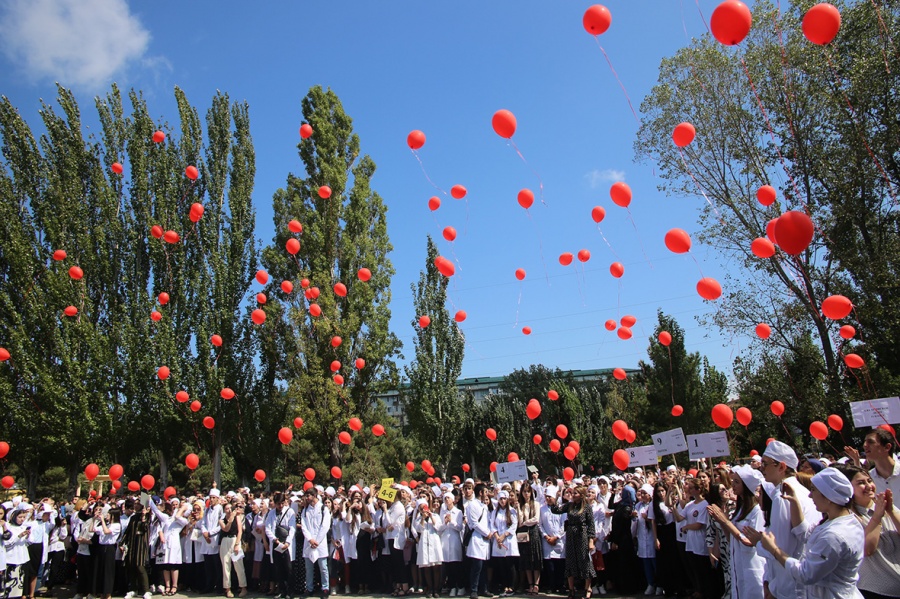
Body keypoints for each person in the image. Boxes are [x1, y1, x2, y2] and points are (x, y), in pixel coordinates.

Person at [747, 468, 865, 599]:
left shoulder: (834, 536)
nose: (809, 495)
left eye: (814, 490)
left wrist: (774, 550)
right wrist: (794, 502)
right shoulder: (841, 520)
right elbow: (805, 534)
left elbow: (805, 574)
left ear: (828, 497)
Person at [757, 440, 820, 599]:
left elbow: (780, 547)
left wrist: (758, 542)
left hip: (790, 584)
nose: (761, 468)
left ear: (781, 467)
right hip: (797, 579)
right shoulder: (799, 490)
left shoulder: (783, 496)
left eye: (765, 464)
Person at [837, 464, 900, 599]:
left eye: (869, 481)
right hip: (876, 590)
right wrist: (877, 517)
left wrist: (891, 511)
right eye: (860, 483)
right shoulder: (848, 517)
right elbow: (867, 549)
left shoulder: (883, 505)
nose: (868, 486)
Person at [707, 465, 765, 599]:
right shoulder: (740, 509)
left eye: (737, 482)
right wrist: (722, 521)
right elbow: (731, 538)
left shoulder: (756, 511)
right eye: (733, 481)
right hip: (737, 563)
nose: (732, 484)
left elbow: (749, 541)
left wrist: (726, 522)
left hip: (752, 564)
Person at [549, 486, 595, 599]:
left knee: (584, 561)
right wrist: (556, 497)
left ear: (581, 494)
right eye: (572, 493)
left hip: (582, 535)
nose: (573, 495)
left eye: (575, 493)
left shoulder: (586, 507)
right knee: (570, 562)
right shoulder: (569, 505)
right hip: (571, 535)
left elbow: (591, 525)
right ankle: (571, 589)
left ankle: (587, 588)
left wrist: (591, 540)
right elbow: (556, 510)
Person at [149, 497, 188, 596]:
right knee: (165, 566)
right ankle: (167, 586)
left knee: (173, 565)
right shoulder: (166, 518)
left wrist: (182, 509)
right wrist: (147, 499)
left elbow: (178, 517)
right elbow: (156, 511)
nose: (174, 508)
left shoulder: (182, 520)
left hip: (174, 544)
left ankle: (174, 586)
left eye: (176, 506)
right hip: (164, 544)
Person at [298, 488, 328, 599]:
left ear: (314, 495)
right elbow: (304, 526)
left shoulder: (323, 508)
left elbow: (325, 526)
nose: (307, 498)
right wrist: (310, 539)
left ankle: (325, 588)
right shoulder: (305, 510)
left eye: (309, 495)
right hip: (309, 543)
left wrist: (317, 541)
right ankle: (309, 588)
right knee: (309, 568)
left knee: (323, 567)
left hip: (320, 543)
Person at [488, 490, 517, 597]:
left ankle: (512, 586)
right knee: (501, 565)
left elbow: (514, 525)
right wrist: (497, 537)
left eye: (504, 499)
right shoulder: (494, 512)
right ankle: (505, 586)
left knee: (510, 564)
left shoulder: (512, 511)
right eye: (501, 499)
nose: (503, 501)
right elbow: (492, 525)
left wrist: (504, 535)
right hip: (498, 541)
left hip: (508, 540)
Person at [465, 483, 491, 599]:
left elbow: (488, 521)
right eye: (485, 492)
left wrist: (489, 533)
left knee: (484, 566)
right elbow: (474, 523)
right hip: (477, 538)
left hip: (485, 540)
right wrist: (486, 533)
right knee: (477, 567)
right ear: (480, 493)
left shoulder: (484, 506)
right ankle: (474, 590)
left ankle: (484, 589)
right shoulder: (472, 505)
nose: (487, 494)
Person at [414, 497, 445, 598]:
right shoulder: (418, 519)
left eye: (424, 507)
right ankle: (430, 588)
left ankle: (436, 589)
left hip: (434, 542)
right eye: (421, 508)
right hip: (424, 543)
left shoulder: (435, 515)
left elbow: (439, 528)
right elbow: (419, 529)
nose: (423, 510)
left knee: (436, 567)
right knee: (426, 567)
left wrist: (431, 517)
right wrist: (423, 518)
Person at [122, 499, 152, 599]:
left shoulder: (148, 517)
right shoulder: (133, 517)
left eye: (138, 504)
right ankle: (133, 589)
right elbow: (128, 531)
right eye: (135, 504)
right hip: (132, 544)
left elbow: (145, 528)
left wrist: (144, 516)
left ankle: (146, 590)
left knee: (140, 566)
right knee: (132, 566)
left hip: (141, 545)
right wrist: (122, 543)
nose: (136, 506)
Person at [516, 484, 542, 597]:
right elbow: (520, 520)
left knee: (535, 558)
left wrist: (526, 522)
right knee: (526, 558)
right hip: (523, 533)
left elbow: (536, 519)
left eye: (528, 491)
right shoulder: (521, 505)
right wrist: (517, 508)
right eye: (524, 492)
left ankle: (536, 584)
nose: (526, 494)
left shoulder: (536, 504)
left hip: (533, 532)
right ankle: (530, 583)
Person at [538, 486, 566, 594]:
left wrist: (556, 537)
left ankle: (560, 585)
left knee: (560, 565)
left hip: (559, 541)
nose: (548, 499)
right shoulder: (542, 509)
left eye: (550, 497)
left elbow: (564, 525)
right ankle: (551, 585)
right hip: (547, 541)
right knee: (549, 565)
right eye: (546, 497)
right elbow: (540, 525)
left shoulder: (562, 508)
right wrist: (546, 536)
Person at [219, 501, 248, 598]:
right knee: (226, 566)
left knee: (239, 565)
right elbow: (226, 529)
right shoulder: (222, 520)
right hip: (225, 541)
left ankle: (243, 587)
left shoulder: (237, 518)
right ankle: (227, 589)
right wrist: (230, 519)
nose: (228, 510)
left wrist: (237, 544)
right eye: (226, 509)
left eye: (229, 508)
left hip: (235, 540)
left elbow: (240, 531)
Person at [440, 490, 465, 597]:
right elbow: (440, 528)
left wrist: (451, 521)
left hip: (455, 540)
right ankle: (452, 587)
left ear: (453, 500)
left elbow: (459, 527)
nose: (447, 500)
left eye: (448, 498)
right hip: (445, 540)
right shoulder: (442, 512)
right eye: (445, 498)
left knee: (456, 565)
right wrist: (445, 523)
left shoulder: (458, 512)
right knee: (449, 566)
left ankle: (460, 586)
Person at [635, 485, 656, 596]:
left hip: (652, 536)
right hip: (642, 538)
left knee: (655, 562)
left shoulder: (653, 505)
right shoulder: (638, 506)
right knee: (646, 562)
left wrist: (648, 518)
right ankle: (650, 584)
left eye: (645, 493)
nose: (642, 495)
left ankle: (659, 584)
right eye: (641, 493)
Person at [201, 490, 224, 594]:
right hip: (206, 540)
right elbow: (203, 523)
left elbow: (221, 525)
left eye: (214, 497)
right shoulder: (207, 510)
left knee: (217, 566)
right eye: (210, 497)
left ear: (218, 499)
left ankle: (219, 587)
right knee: (208, 566)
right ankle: (208, 585)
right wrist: (205, 532)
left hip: (214, 540)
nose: (212, 500)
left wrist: (210, 533)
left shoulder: (220, 509)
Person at [864, 429, 899, 496]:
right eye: (865, 442)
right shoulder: (868, 479)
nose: (865, 445)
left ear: (887, 447)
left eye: (870, 442)